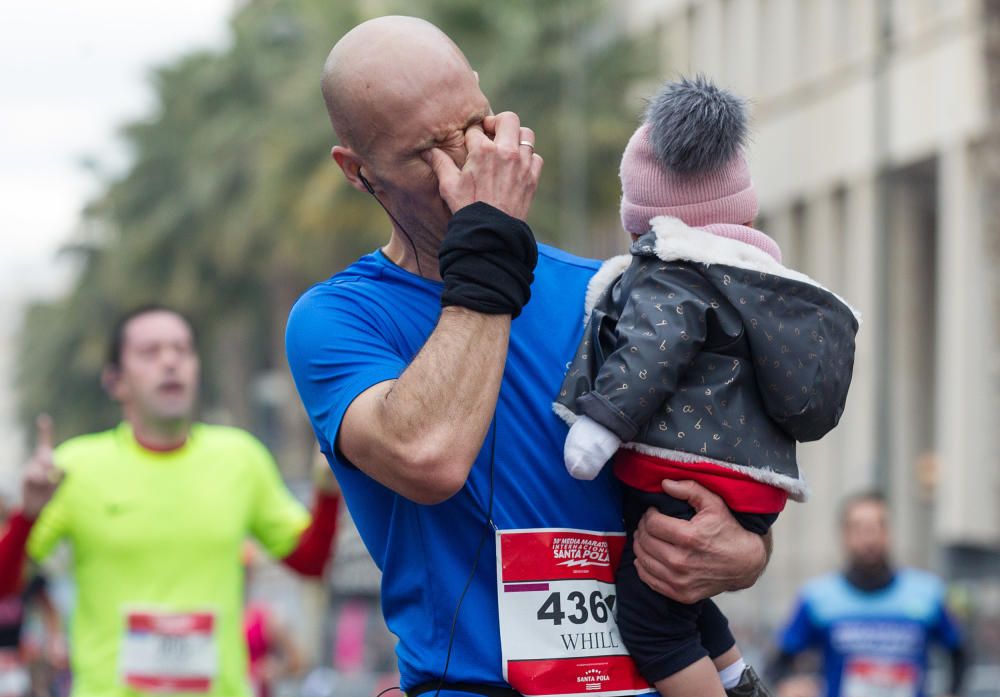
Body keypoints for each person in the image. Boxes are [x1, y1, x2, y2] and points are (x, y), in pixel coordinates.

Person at [286, 16, 772, 697]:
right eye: (428, 151)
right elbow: (430, 454)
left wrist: (745, 550)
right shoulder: (338, 319)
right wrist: (489, 250)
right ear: (358, 171)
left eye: (475, 126)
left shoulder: (606, 289)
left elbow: (718, 462)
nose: (465, 164)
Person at [554, 78, 860, 697]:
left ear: (644, 218)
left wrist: (599, 427)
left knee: (651, 625)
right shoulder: (759, 287)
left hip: (684, 477)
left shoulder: (672, 277)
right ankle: (737, 681)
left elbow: (650, 353)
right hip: (749, 489)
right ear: (742, 210)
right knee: (679, 603)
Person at [3, 304, 342, 697]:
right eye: (150, 352)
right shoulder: (73, 468)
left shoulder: (240, 458)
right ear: (115, 381)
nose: (170, 362)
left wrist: (328, 490)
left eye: (182, 350)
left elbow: (311, 562)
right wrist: (27, 514)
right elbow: (5, 590)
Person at [769, 491, 967, 697]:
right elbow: (777, 664)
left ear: (889, 532)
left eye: (877, 527)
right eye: (859, 528)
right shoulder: (818, 598)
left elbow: (960, 653)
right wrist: (790, 686)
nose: (869, 538)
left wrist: (952, 691)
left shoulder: (927, 593)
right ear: (844, 535)